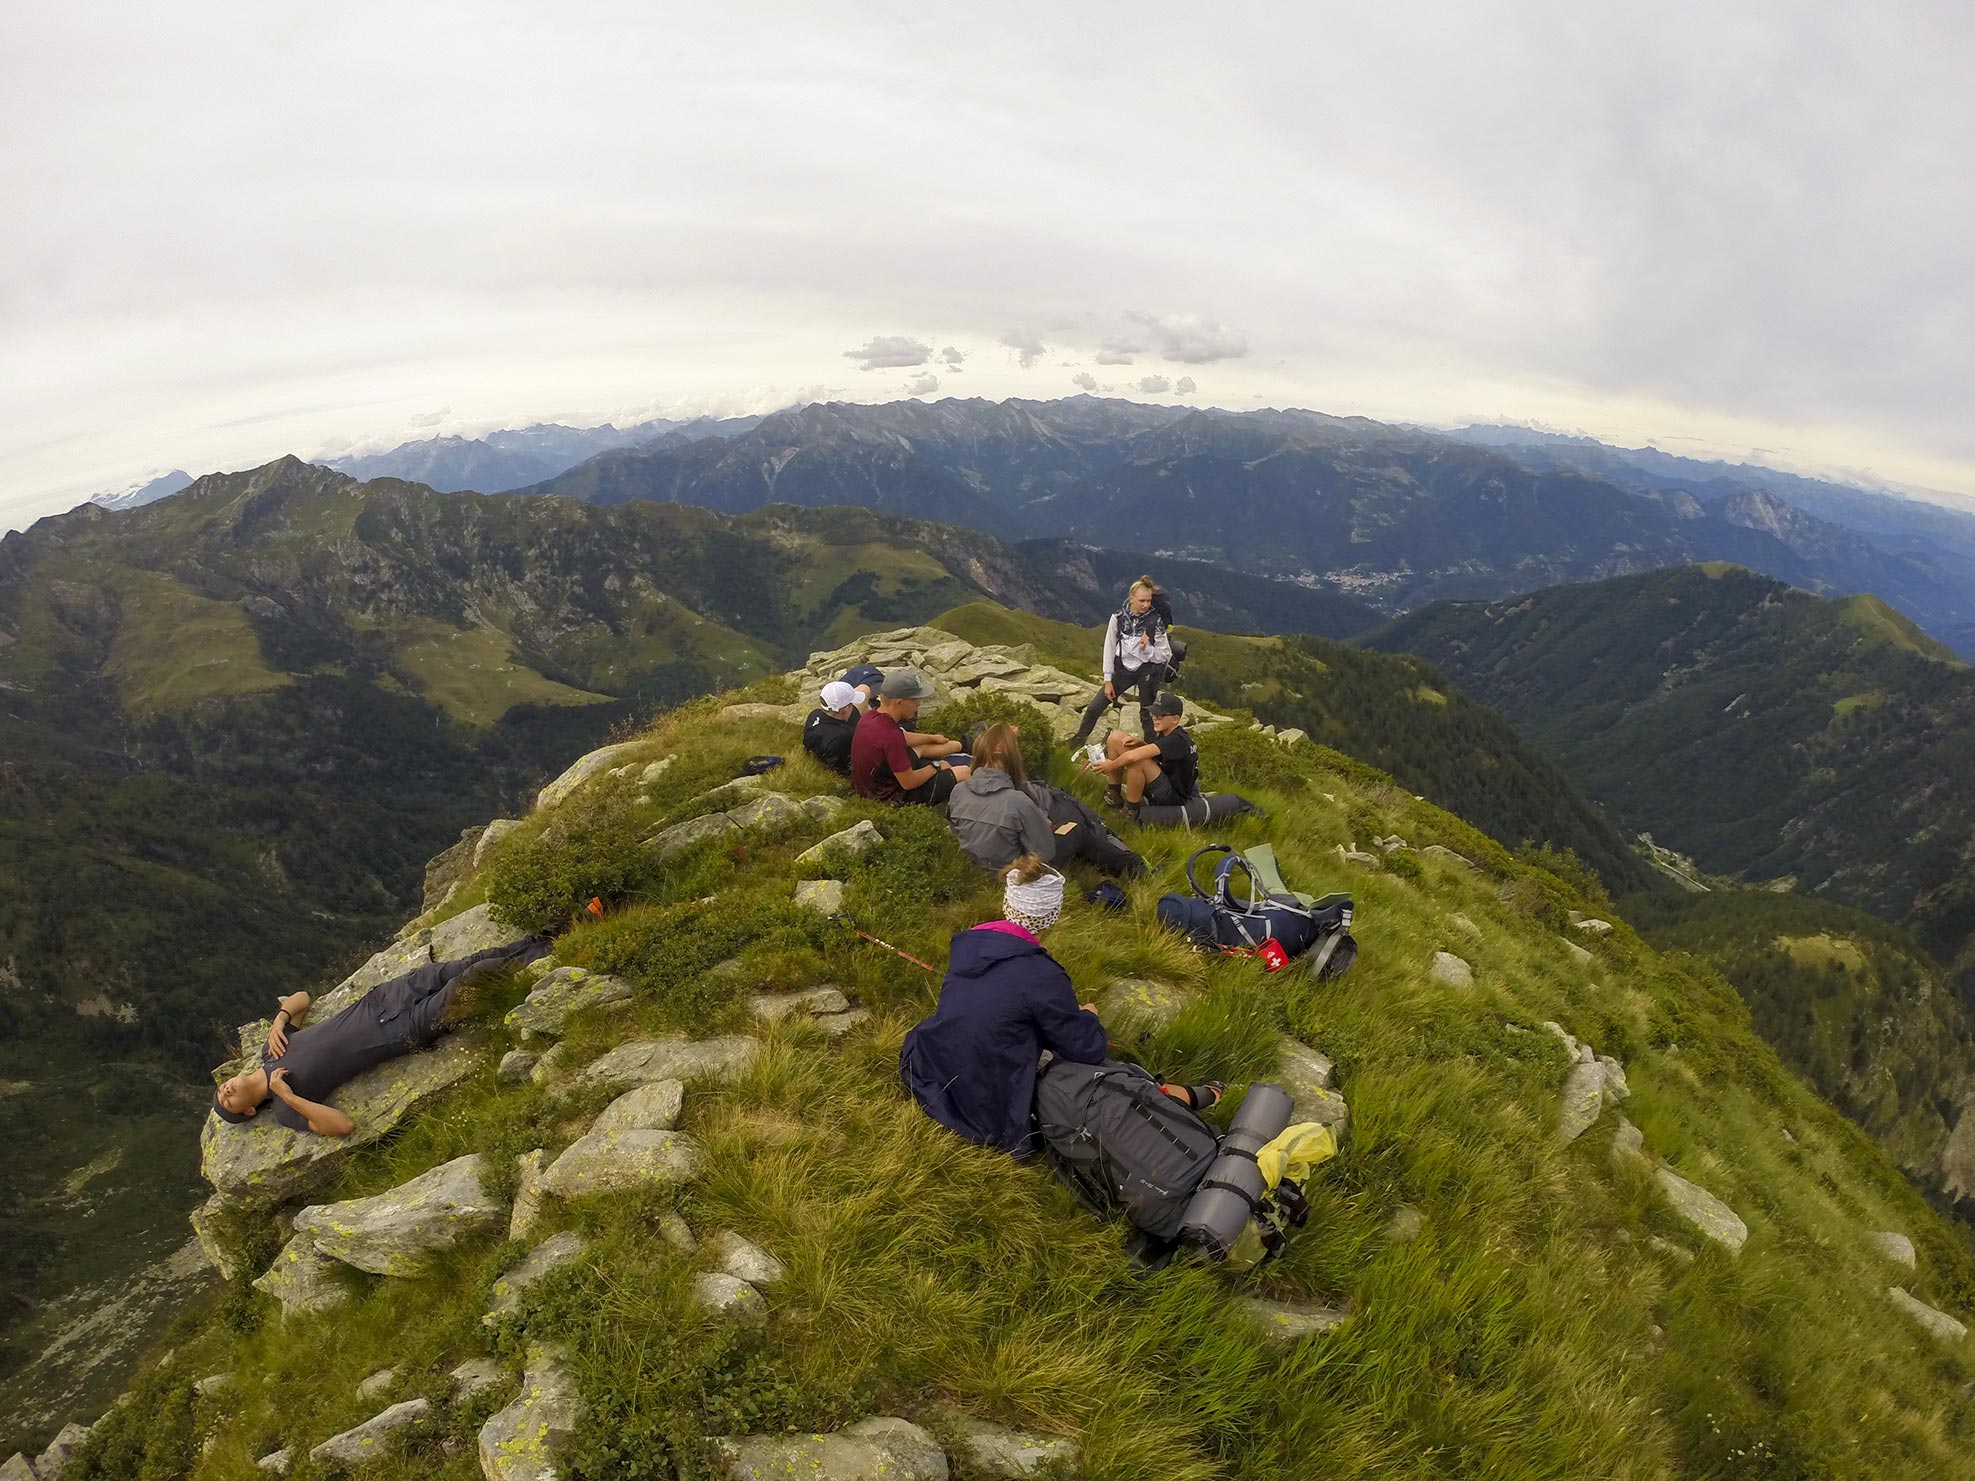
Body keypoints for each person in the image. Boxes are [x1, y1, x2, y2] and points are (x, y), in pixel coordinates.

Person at [900, 857, 1216, 1157]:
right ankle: (1195, 1099)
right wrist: (1088, 1017)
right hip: (984, 1104)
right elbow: (1087, 1049)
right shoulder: (1042, 975)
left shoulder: (971, 942)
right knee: (1105, 1075)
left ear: (1008, 903)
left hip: (932, 1066)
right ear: (1052, 915)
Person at [210, 937, 549, 1135]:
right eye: (227, 1103)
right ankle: (554, 952)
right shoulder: (286, 1110)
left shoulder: (271, 1050)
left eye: (221, 1091)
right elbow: (342, 1126)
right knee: (474, 978)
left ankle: (548, 938)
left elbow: (302, 997)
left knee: (468, 963)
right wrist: (289, 1095)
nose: (224, 1092)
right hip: (403, 1031)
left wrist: (280, 1018)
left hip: (383, 1000)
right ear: (249, 1112)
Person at [947, 723, 1144, 877]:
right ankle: (1134, 866)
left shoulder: (958, 791)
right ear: (1013, 757)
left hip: (981, 865)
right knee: (1076, 829)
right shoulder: (1018, 801)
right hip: (1019, 873)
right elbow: (1045, 852)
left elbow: (957, 830)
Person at [1068, 576, 1173, 748]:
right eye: (1141, 601)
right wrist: (1108, 680)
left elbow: (1164, 654)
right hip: (1122, 670)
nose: (1146, 605)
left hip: (1146, 669)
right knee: (1095, 707)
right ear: (1131, 598)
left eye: (1148, 601)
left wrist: (1146, 649)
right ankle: (1078, 741)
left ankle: (1152, 753)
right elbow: (1109, 648)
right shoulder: (1118, 618)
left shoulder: (1156, 622)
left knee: (1147, 714)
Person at [849, 669, 972, 805]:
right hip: (890, 797)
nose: (919, 703)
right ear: (899, 702)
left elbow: (902, 737)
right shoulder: (891, 736)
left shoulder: (871, 716)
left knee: (920, 747)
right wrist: (936, 766)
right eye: (914, 699)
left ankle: (963, 745)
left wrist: (932, 738)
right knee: (964, 772)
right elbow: (908, 782)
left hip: (872, 786)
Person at [1084, 691, 1199, 818]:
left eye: (1160, 715)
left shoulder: (1177, 740)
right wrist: (1141, 743)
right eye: (1153, 713)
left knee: (1138, 760)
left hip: (1172, 797)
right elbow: (1161, 755)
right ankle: (1114, 792)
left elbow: (1133, 757)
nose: (1154, 718)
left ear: (1175, 719)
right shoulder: (1167, 732)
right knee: (1115, 737)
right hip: (1163, 780)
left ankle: (1131, 810)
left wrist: (1110, 766)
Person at [802, 680, 865, 775]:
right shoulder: (842, 736)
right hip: (838, 770)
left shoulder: (814, 714)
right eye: (851, 704)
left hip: (823, 751)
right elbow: (842, 769)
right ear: (846, 709)